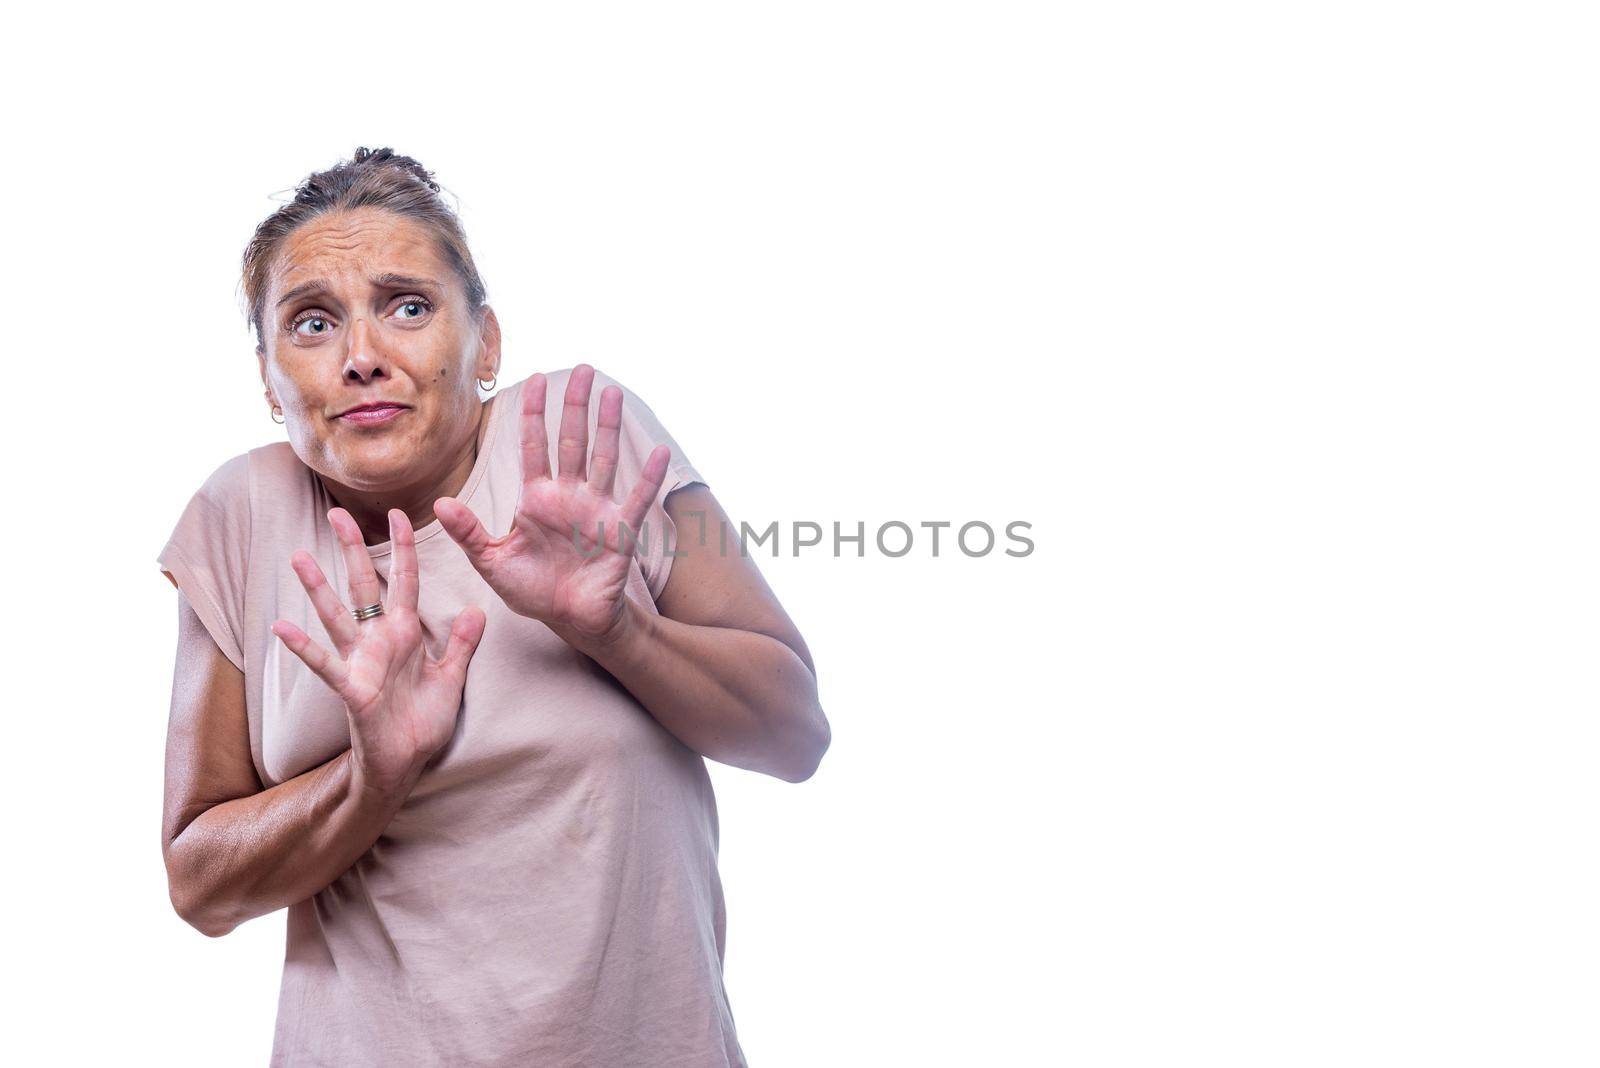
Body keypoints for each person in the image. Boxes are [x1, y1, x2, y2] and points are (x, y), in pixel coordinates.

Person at [157, 146, 829, 1067]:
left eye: (408, 307)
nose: (362, 358)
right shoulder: (241, 513)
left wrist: (616, 632)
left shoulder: (578, 438)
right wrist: (371, 776)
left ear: (488, 344)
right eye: (312, 323)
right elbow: (200, 884)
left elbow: (795, 737)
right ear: (268, 381)